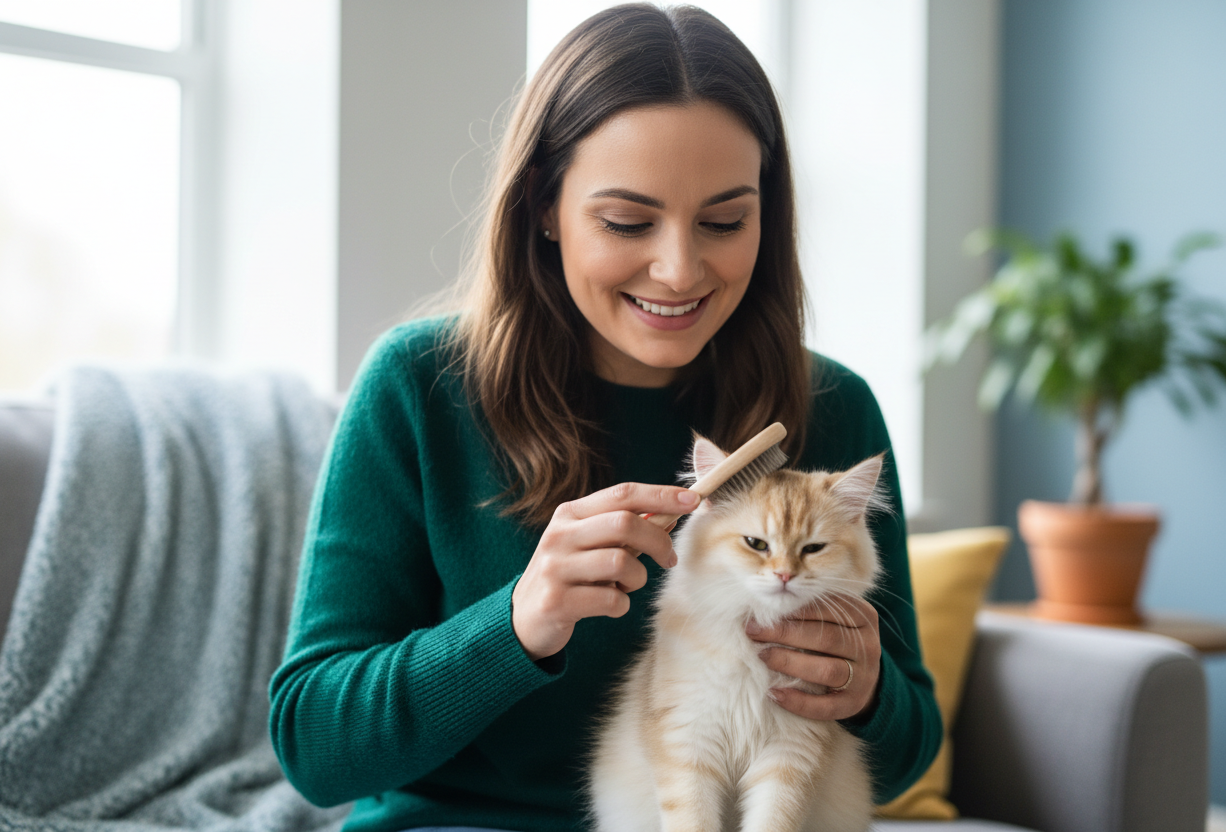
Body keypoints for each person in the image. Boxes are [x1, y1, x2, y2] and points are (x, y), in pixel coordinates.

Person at [268, 4, 941, 831]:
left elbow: (910, 747)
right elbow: (313, 746)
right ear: (544, 207)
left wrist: (866, 688)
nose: (678, 268)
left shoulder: (831, 410)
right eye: (627, 222)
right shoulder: (418, 385)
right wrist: (519, 621)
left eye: (725, 221)